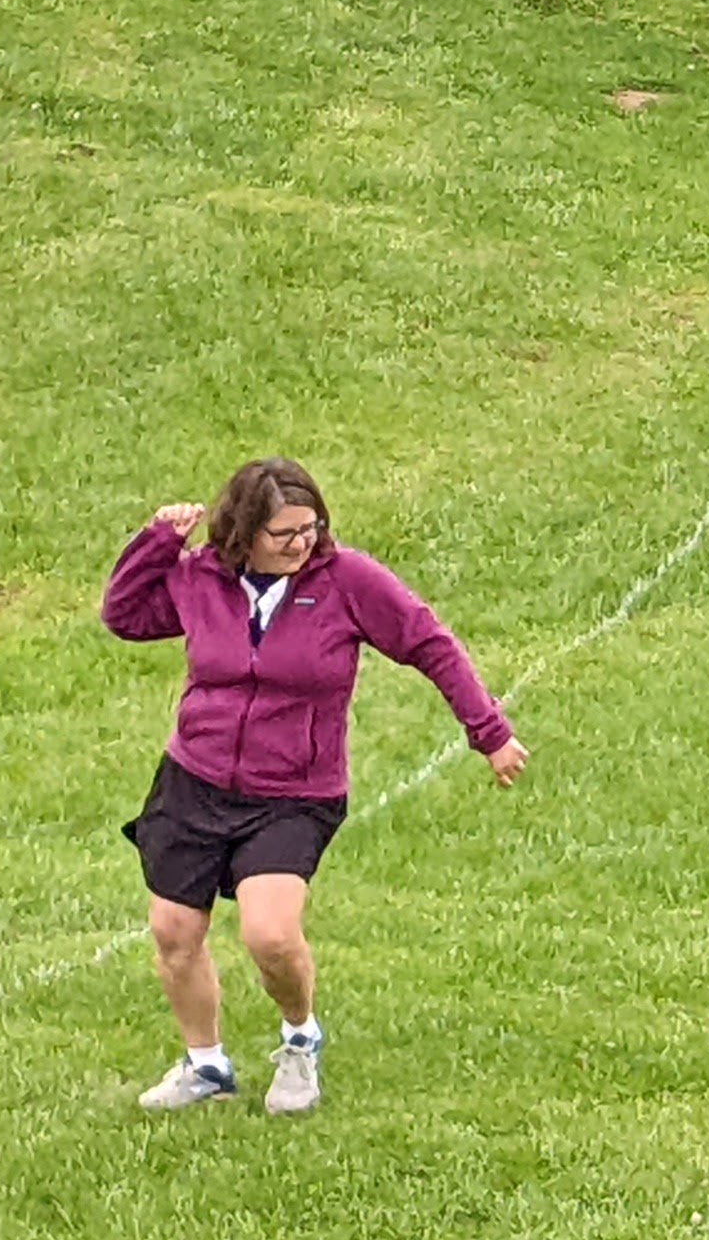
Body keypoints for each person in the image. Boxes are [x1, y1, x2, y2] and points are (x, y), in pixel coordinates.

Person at [101, 457, 526, 1116]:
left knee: (269, 935)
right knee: (175, 933)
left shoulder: (347, 581)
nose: (302, 543)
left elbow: (428, 643)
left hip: (294, 792)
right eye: (284, 534)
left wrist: (488, 732)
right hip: (194, 780)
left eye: (311, 528)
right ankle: (206, 1065)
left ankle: (300, 1039)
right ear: (243, 532)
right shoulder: (202, 579)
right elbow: (125, 616)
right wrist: (156, 542)